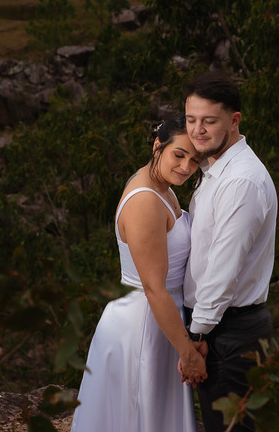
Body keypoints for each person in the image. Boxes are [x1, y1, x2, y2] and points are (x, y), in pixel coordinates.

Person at [70, 114, 207, 432]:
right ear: (158, 145)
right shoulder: (145, 201)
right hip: (143, 326)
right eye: (179, 154)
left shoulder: (162, 186)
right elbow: (154, 288)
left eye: (194, 159)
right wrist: (188, 352)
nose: (186, 167)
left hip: (161, 322)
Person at [182, 71, 277, 432]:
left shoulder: (240, 181)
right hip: (221, 329)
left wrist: (197, 336)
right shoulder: (215, 170)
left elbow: (222, 269)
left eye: (209, 121)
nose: (197, 130)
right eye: (191, 120)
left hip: (229, 333)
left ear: (234, 120)